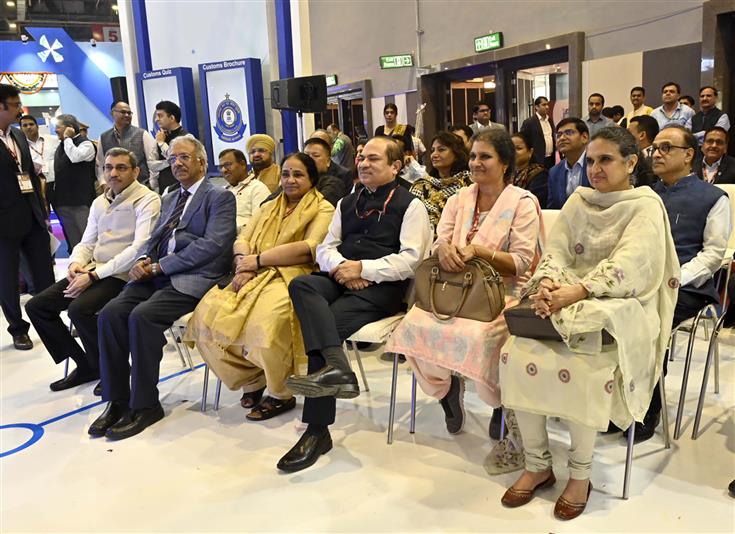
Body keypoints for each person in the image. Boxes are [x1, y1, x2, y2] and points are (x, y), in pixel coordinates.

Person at [499, 126, 680, 520]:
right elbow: (557, 251)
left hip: (620, 302)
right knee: (515, 355)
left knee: (584, 368)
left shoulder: (644, 205)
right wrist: (547, 283)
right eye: (592, 160)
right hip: (565, 297)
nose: (595, 169)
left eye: (606, 160)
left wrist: (579, 291)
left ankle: (580, 474)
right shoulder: (579, 200)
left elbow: (632, 265)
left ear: (631, 163)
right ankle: (537, 464)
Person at [388, 128, 542, 473]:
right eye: (473, 156)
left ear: (505, 163)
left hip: (504, 291)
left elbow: (520, 262)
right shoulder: (459, 199)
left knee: (481, 335)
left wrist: (479, 253)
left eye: (485, 156)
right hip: (454, 287)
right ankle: (447, 391)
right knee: (414, 325)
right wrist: (444, 251)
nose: (475, 162)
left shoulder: (522, 202)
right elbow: (439, 242)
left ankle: (499, 402)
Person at [276, 136, 432, 473]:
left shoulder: (411, 205)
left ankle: (317, 431)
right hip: (342, 276)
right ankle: (338, 366)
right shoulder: (349, 200)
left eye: (373, 159)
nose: (363, 163)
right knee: (303, 284)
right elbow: (324, 247)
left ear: (395, 165)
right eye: (361, 157)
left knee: (324, 324)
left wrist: (365, 269)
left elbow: (411, 260)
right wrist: (341, 268)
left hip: (382, 289)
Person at [89, 134, 236, 440]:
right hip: (156, 275)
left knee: (142, 316)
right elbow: (152, 240)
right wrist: (143, 260)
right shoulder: (169, 196)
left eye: (184, 157)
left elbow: (213, 246)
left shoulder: (219, 196)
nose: (177, 163)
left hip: (192, 279)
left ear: (201, 162)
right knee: (110, 314)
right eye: (172, 159)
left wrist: (161, 265)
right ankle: (117, 401)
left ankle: (145, 405)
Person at [185, 153, 334, 420]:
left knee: (264, 325)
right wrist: (243, 262)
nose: (290, 180)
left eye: (298, 174)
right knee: (206, 318)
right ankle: (253, 380)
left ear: (312, 179)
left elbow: (308, 249)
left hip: (292, 277)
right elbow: (244, 236)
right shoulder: (269, 206)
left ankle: (280, 394)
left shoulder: (323, 209)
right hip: (252, 271)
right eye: (286, 174)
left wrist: (257, 261)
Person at [26, 148, 161, 392]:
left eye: (121, 168)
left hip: (124, 274)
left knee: (80, 310)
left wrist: (94, 275)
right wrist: (76, 263)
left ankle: (112, 367)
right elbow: (87, 241)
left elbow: (139, 247)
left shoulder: (147, 199)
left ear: (136, 171)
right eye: (108, 167)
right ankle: (88, 364)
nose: (113, 173)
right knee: (37, 306)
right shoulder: (100, 201)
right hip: (93, 269)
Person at [641, 124, 731, 441]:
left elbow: (713, 256)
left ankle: (646, 407)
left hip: (687, 287)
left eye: (667, 147)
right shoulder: (644, 194)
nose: (657, 153)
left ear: (689, 154)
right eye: (655, 147)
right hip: (639, 281)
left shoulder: (713, 197)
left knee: (647, 317)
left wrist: (675, 278)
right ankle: (613, 398)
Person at [0, 84, 54, 350]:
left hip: (31, 216)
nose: (20, 109)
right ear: (1, 106)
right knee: (7, 278)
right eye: (15, 103)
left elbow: (31, 176)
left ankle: (50, 320)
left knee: (45, 272)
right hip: (3, 224)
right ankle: (18, 330)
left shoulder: (19, 135)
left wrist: (42, 213)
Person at [51, 114, 97, 253]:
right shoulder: (61, 146)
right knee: (74, 243)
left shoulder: (86, 144)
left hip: (81, 202)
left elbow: (75, 157)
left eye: (58, 127)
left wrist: (67, 138)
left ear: (69, 128)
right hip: (63, 202)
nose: (56, 130)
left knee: (88, 242)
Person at [409, 131, 472, 234]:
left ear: (456, 153)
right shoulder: (421, 186)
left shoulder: (470, 183)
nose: (434, 154)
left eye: (441, 150)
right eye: (432, 150)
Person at [97, 101, 157, 188]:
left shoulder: (142, 134)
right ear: (112, 113)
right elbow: (100, 164)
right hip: (115, 190)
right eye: (123, 112)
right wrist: (103, 183)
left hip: (141, 187)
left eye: (129, 113)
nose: (127, 115)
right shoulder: (103, 137)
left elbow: (152, 162)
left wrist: (152, 184)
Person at [218, 148, 270, 227]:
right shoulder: (221, 191)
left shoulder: (257, 189)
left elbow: (260, 224)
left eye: (227, 165)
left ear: (242, 164)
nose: (224, 170)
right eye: (221, 167)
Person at [547, 118, 590, 209]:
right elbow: (552, 209)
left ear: (584, 137)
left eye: (569, 133)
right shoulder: (554, 172)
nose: (562, 138)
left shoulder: (596, 165)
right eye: (559, 135)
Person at [150, 100, 189, 194]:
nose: (156, 119)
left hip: (182, 188)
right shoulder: (161, 136)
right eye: (156, 116)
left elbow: (178, 160)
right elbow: (151, 164)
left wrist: (162, 144)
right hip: (163, 190)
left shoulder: (187, 137)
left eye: (160, 116)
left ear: (172, 118)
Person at [20, 114, 58, 196]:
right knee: (43, 208)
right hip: (38, 185)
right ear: (21, 129)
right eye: (25, 125)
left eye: (31, 124)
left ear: (37, 126)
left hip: (57, 182)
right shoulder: (20, 147)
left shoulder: (53, 140)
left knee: (61, 208)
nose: (29, 127)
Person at [511, 131, 549, 208]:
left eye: (518, 148)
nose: (513, 152)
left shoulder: (539, 175)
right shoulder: (505, 174)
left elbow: (533, 203)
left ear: (530, 152)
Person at [520, 96, 556, 169]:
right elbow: (524, 141)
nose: (547, 107)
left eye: (547, 104)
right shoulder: (529, 122)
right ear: (536, 107)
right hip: (536, 161)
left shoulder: (550, 121)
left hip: (550, 159)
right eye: (544, 105)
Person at [628, 115, 660, 187]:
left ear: (642, 135)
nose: (625, 136)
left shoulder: (659, 156)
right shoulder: (626, 155)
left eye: (629, 133)